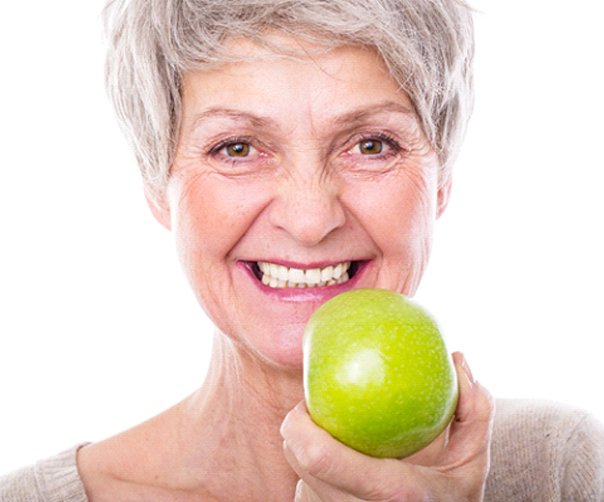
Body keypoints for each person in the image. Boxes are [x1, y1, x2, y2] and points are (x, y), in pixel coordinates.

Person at [1, 0, 604, 500]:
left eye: (371, 145)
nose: (311, 220)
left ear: (441, 179)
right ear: (160, 187)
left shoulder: (554, 470)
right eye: (237, 148)